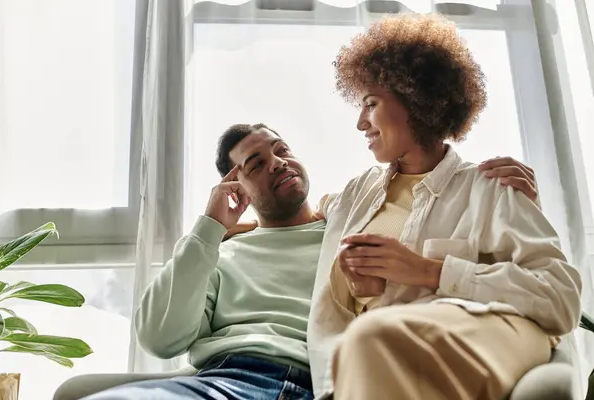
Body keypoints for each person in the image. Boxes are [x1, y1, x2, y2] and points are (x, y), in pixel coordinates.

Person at [84, 123, 537, 400]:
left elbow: (437, 227)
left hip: (318, 379)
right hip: (223, 379)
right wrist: (209, 228)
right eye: (255, 163)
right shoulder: (216, 254)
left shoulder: (350, 227)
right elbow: (160, 339)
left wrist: (493, 199)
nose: (277, 163)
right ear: (233, 186)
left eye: (281, 150)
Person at [306, 13, 582, 400]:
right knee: (370, 338)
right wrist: (228, 227)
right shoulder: (355, 196)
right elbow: (308, 211)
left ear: (416, 98)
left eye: (370, 103)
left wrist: (429, 271)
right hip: (360, 372)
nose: (360, 124)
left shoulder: (489, 188)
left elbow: (560, 297)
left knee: (374, 337)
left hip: (437, 345)